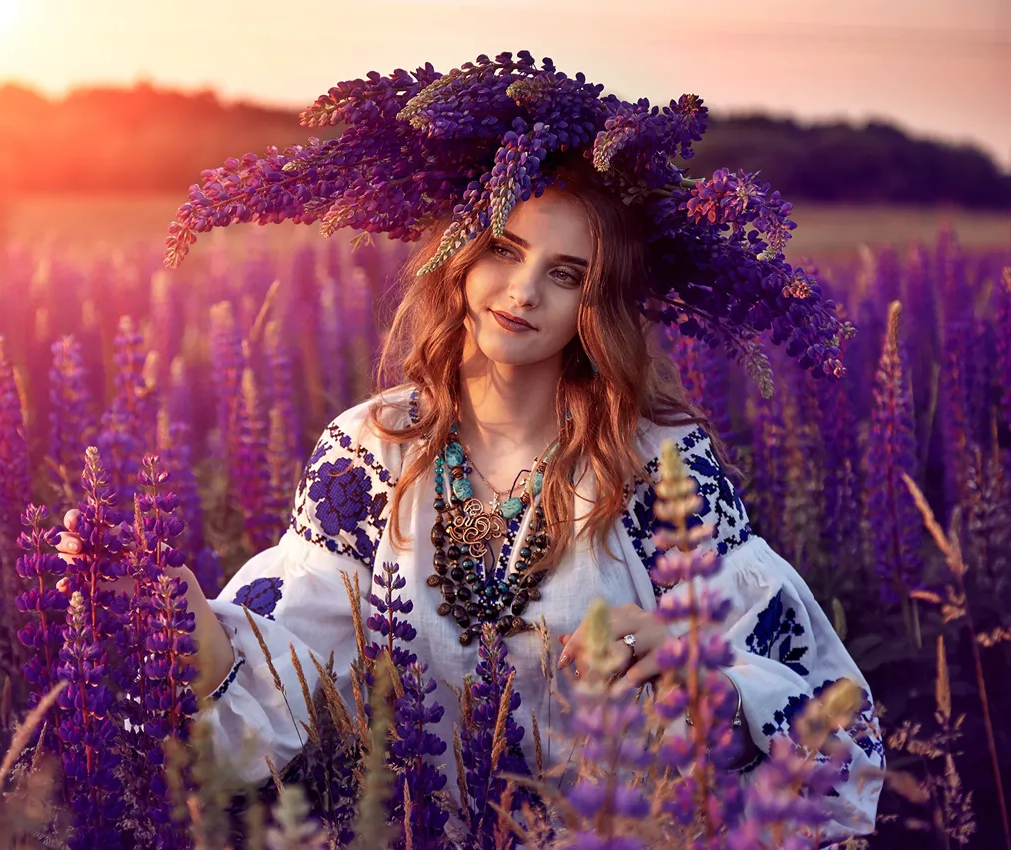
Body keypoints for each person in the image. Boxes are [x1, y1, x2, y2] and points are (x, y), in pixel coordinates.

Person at [56, 53, 884, 842]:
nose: (523, 292)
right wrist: (175, 614)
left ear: (600, 305)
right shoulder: (373, 448)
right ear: (459, 256)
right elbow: (292, 676)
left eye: (567, 275)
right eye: (505, 249)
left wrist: (704, 672)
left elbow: (827, 720)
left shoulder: (657, 466)